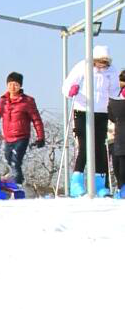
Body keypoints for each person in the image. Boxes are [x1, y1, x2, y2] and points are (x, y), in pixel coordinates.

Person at [61, 45, 120, 197]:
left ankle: (100, 185)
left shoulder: (111, 71)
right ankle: (77, 182)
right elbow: (66, 86)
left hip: (101, 112)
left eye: (104, 62)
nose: (101, 65)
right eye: (99, 61)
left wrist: (119, 96)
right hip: (83, 110)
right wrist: (71, 91)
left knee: (99, 147)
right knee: (85, 146)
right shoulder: (82, 67)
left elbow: (114, 91)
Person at [0, 72, 45, 186]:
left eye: (15, 84)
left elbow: (36, 119)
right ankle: (16, 180)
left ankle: (18, 185)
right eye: (10, 84)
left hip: (22, 137)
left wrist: (40, 137)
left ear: (20, 86)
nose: (13, 87)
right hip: (8, 138)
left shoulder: (27, 101)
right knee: (9, 160)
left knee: (16, 161)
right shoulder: (3, 100)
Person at [107, 70, 125, 198]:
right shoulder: (115, 99)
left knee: (119, 166)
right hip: (116, 138)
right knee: (118, 166)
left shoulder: (114, 101)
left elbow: (111, 116)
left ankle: (121, 188)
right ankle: (120, 188)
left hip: (118, 138)